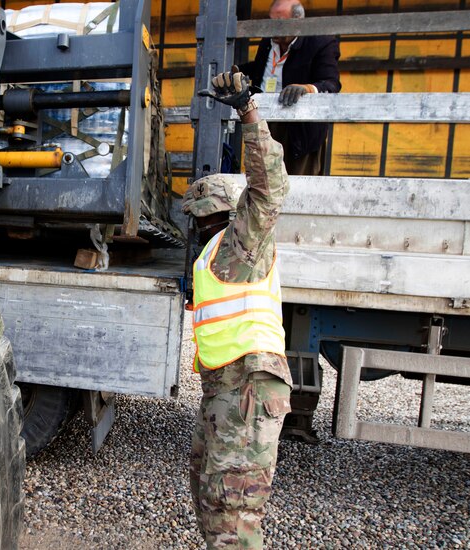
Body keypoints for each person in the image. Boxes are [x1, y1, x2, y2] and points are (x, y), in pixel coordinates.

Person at [184, 68, 293, 549]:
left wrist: (248, 112)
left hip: (248, 387)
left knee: (234, 513)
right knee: (211, 495)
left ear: (222, 216)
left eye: (203, 217)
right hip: (225, 391)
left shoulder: (240, 242)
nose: (198, 226)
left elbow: (269, 188)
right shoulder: (212, 255)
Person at [238, 0, 341, 176]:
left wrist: (306, 88)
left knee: (296, 187)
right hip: (264, 121)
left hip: (299, 130)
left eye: (280, 22)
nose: (274, 28)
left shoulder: (320, 42)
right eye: (271, 22)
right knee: (260, 181)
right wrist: (237, 72)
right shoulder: (268, 41)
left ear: (298, 21)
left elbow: (331, 83)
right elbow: (260, 69)